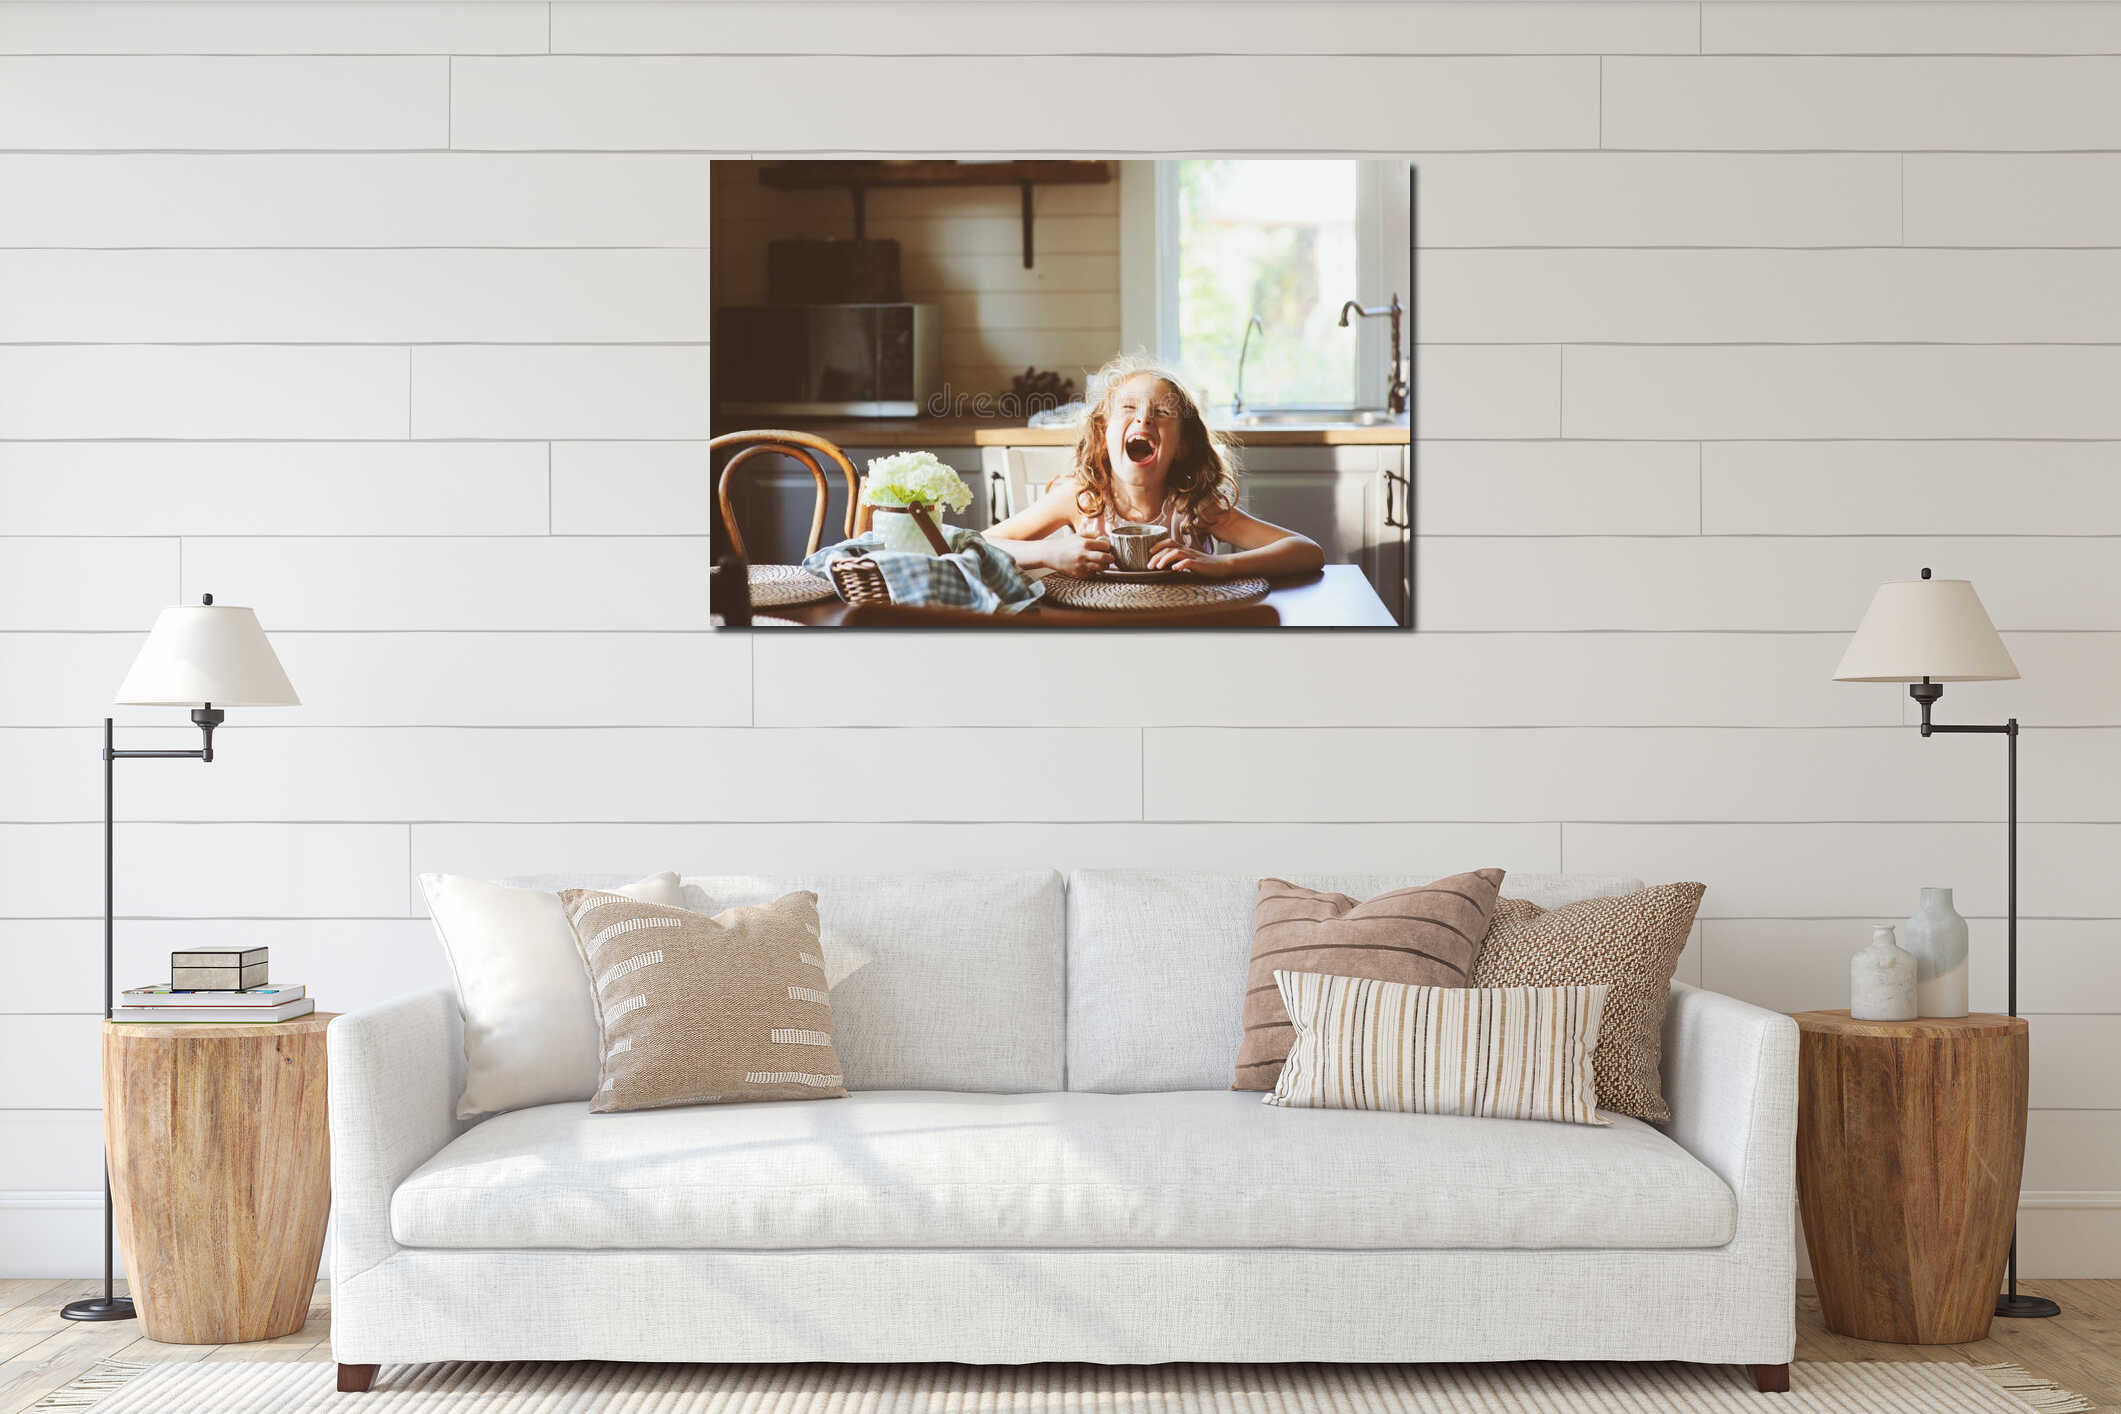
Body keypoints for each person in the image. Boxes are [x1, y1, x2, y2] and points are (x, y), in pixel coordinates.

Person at [984, 356, 1325, 580]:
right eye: (1128, 408)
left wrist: (1222, 564)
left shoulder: (1194, 508)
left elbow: (1307, 552)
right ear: (1103, 434)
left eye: (1161, 413)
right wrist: (1048, 552)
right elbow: (979, 544)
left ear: (1182, 445)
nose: (1144, 418)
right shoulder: (1082, 499)